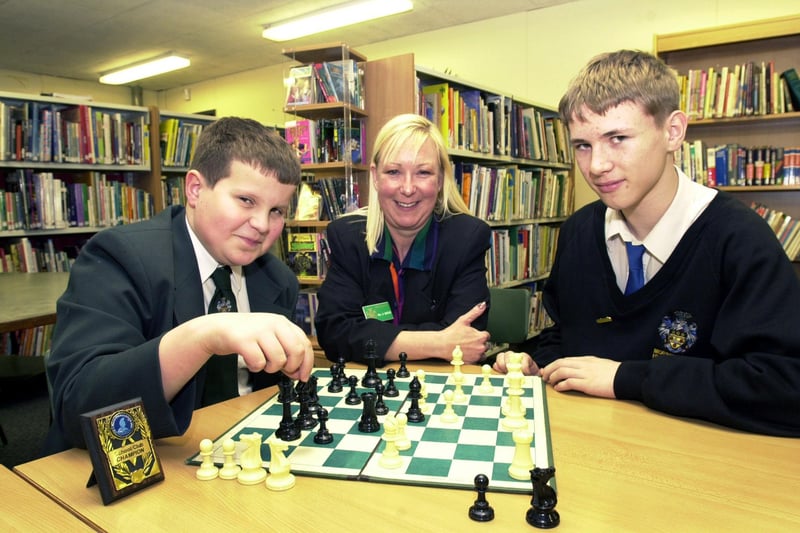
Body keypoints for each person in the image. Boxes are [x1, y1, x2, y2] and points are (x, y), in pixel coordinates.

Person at [493, 50, 800, 437]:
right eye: (582, 145)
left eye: (617, 138)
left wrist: (626, 378)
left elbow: (784, 387)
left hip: (698, 462)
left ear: (673, 132)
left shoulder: (740, 239)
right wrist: (543, 363)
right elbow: (566, 332)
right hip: (596, 447)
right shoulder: (578, 232)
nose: (597, 166)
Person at [45, 117, 314, 453]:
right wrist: (204, 336)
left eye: (276, 210)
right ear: (195, 189)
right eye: (246, 200)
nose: (261, 224)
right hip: (135, 463)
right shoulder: (120, 257)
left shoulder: (278, 281)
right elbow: (78, 406)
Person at [315, 113, 491, 367]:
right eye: (394, 172)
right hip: (371, 390)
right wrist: (440, 342)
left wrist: (372, 336)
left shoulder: (467, 238)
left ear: (440, 179)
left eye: (423, 172)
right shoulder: (347, 236)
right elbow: (334, 333)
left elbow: (468, 339)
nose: (407, 188)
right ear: (375, 176)